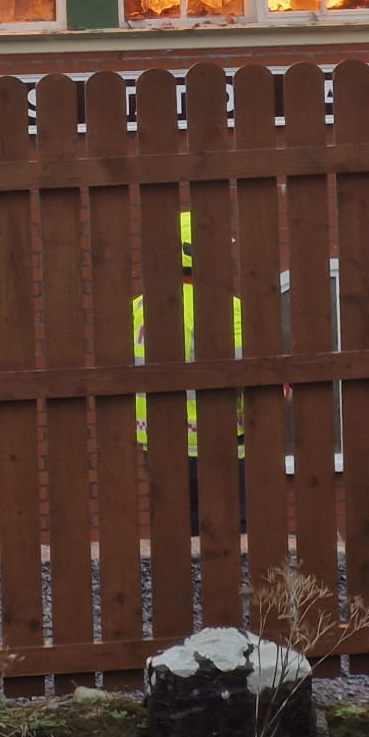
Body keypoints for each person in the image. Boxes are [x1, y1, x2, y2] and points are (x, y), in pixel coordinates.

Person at [132, 210, 247, 534]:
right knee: (229, 529)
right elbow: (244, 373)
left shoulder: (139, 307)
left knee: (175, 528)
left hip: (157, 439)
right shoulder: (224, 306)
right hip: (216, 438)